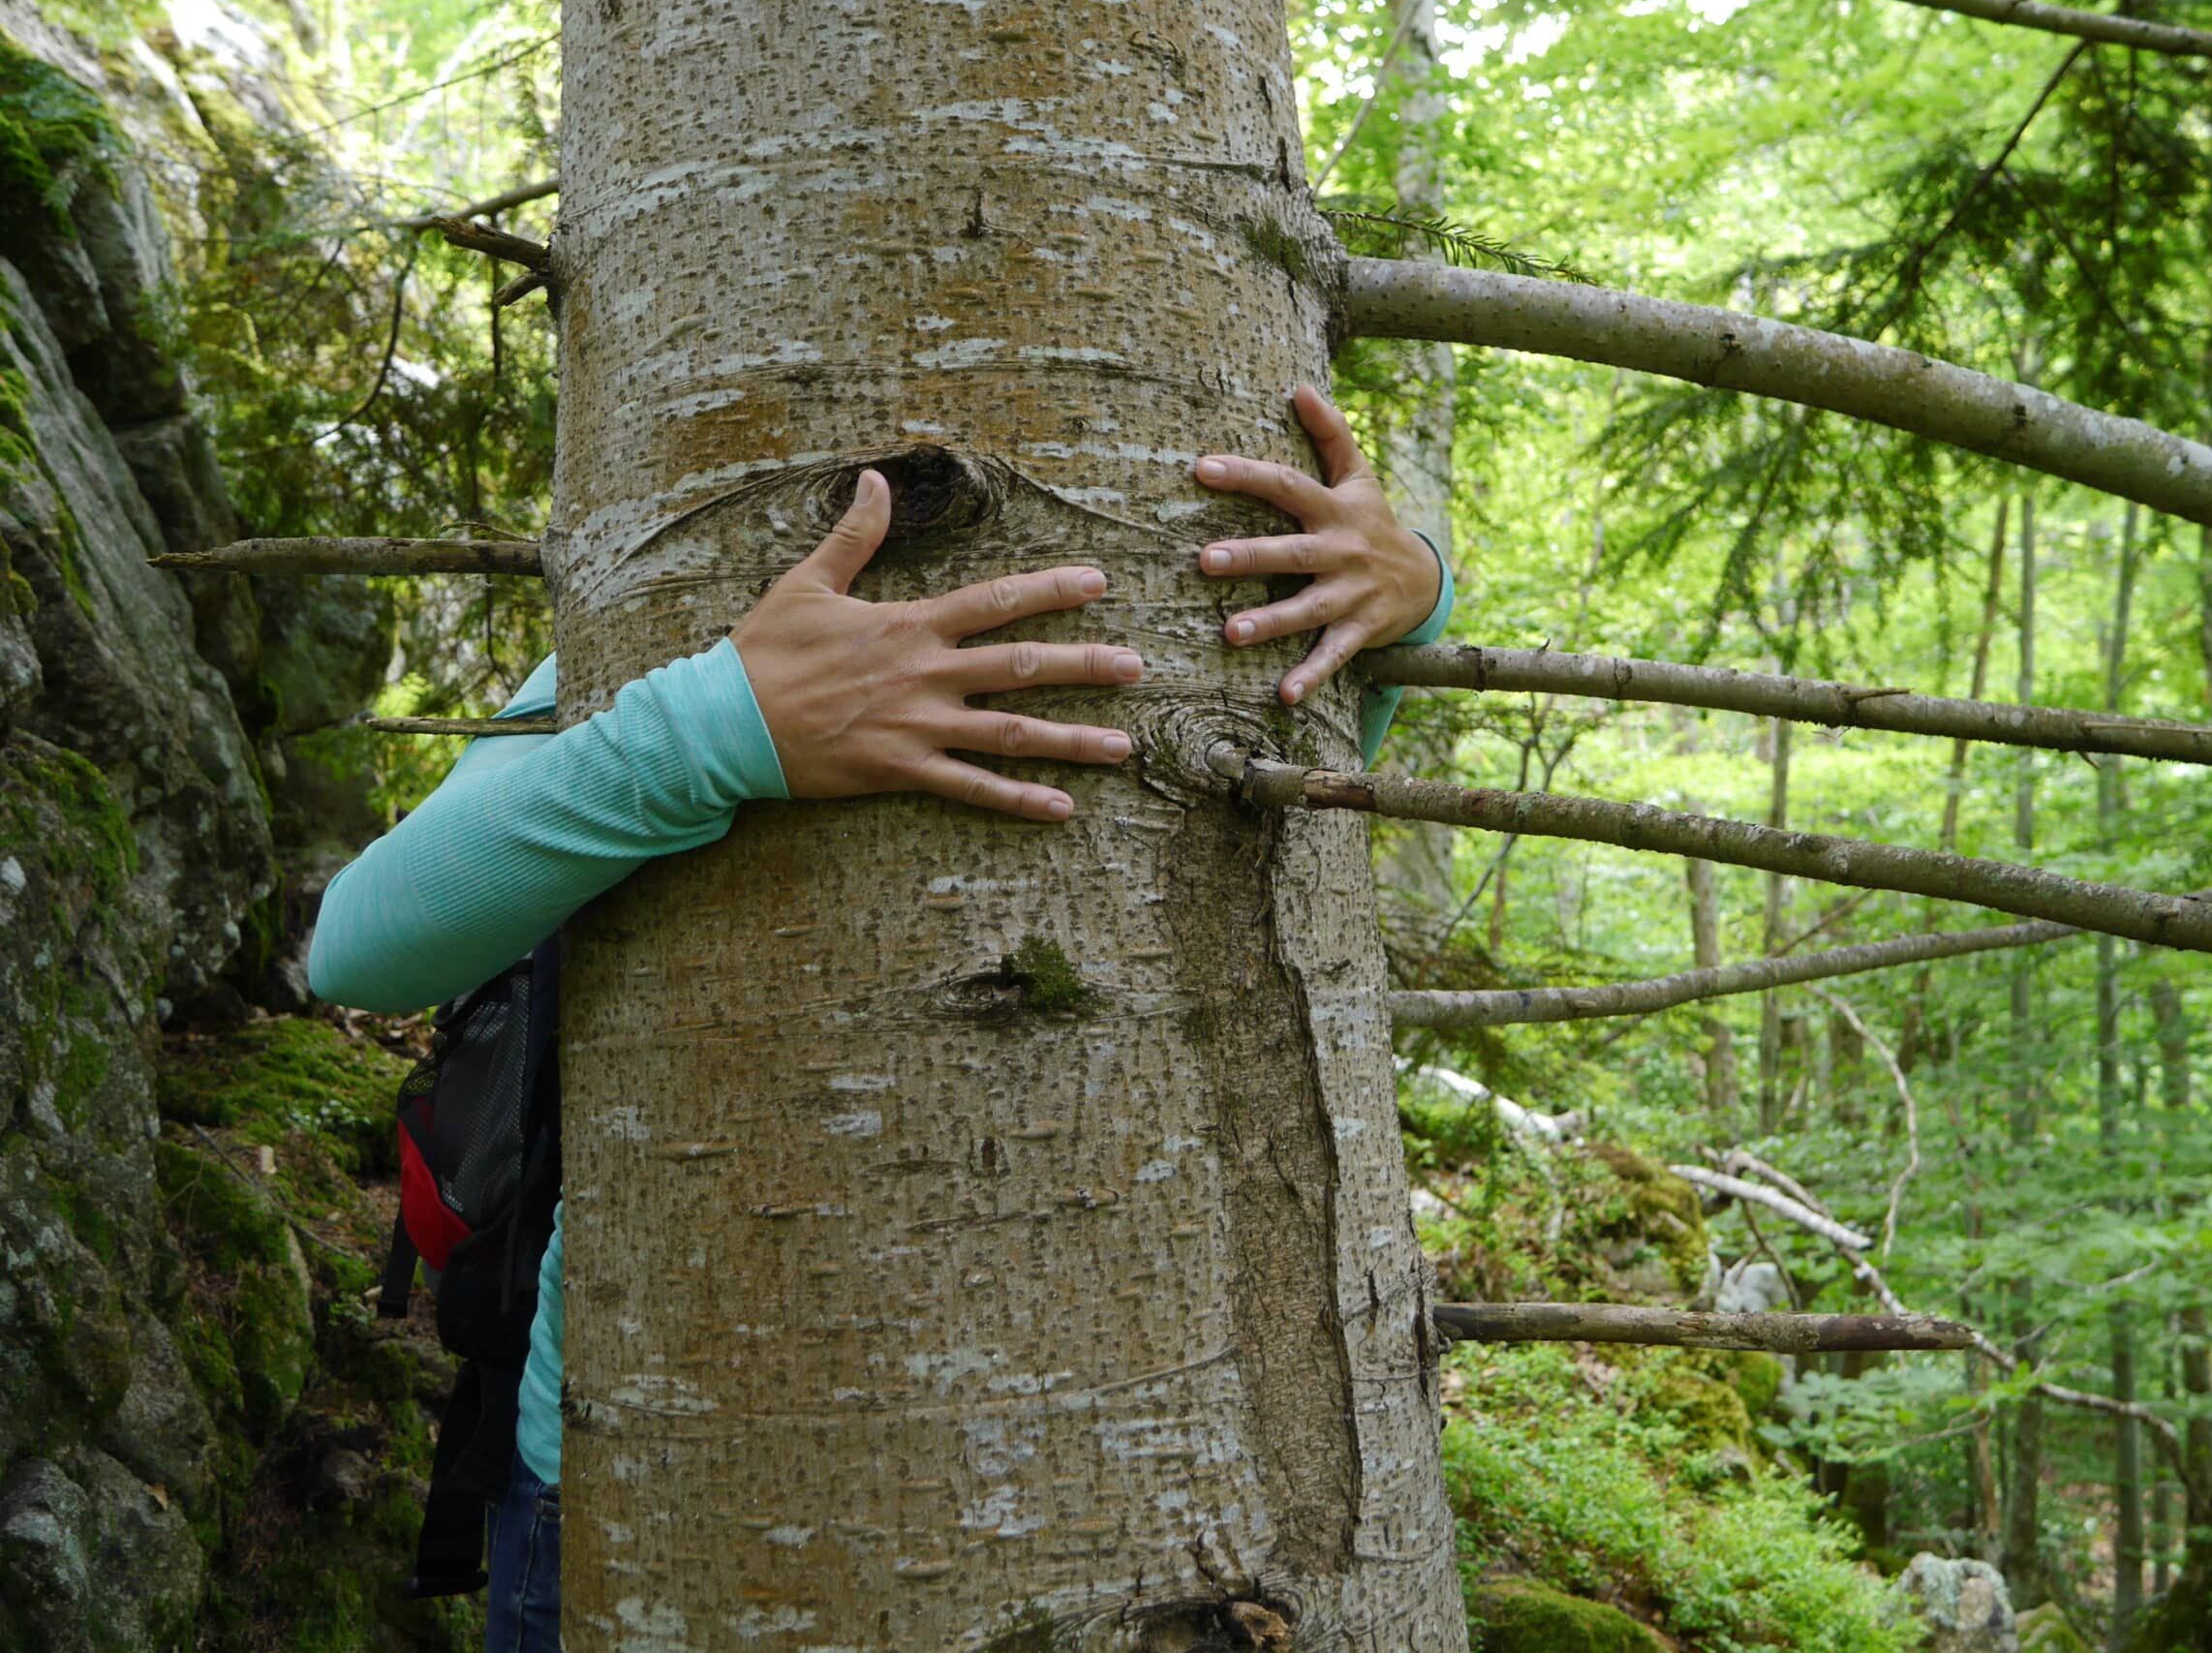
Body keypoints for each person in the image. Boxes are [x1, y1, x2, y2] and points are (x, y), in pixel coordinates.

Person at [308, 385, 1456, 1652]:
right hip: (661, 1489)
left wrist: (1413, 590)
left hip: (1173, 1522)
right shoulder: (677, 616)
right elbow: (364, 942)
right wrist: (716, 724)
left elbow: (1288, 841)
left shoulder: (1193, 572)